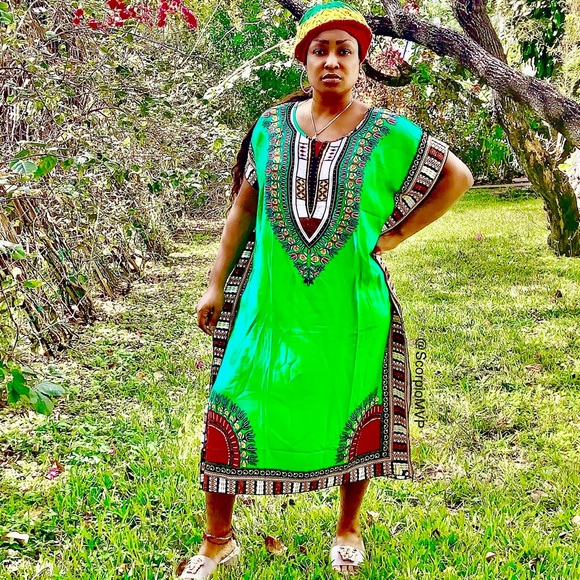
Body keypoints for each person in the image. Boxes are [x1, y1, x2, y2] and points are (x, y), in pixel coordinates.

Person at [183, 2, 473, 577]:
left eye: (345, 51)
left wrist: (396, 235)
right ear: (304, 59)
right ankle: (218, 541)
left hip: (351, 305)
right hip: (269, 303)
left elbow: (456, 177)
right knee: (233, 397)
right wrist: (214, 284)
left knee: (351, 403)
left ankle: (347, 528)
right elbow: (244, 208)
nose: (332, 61)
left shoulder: (389, 133)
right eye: (321, 50)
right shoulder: (270, 127)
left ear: (361, 62)